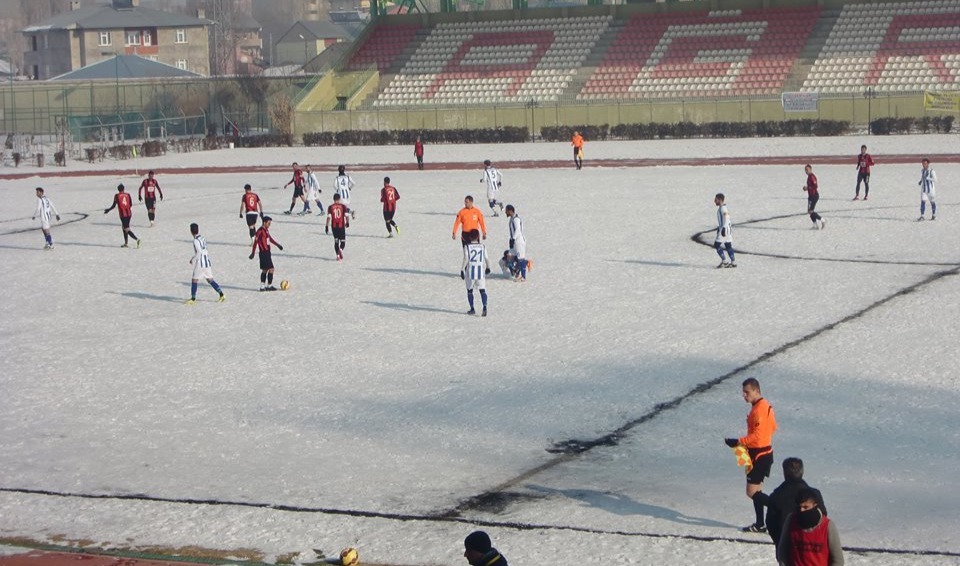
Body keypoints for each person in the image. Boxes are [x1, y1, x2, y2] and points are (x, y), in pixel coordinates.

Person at [725, 377, 777, 533]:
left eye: (747, 392)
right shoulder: (764, 406)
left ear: (756, 391)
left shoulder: (759, 410)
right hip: (760, 452)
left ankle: (779, 508)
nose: (744, 395)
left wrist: (739, 442)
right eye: (743, 392)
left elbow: (757, 436)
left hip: (759, 455)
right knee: (757, 491)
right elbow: (773, 427)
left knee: (751, 492)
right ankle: (760, 524)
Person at [752, 457, 828, 547]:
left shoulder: (777, 496)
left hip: (787, 546)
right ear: (802, 471)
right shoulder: (815, 494)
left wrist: (780, 544)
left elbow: (771, 524)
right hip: (812, 545)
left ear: (784, 473)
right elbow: (823, 518)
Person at [776, 488, 844, 566]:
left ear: (814, 505)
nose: (801, 510)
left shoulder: (827, 526)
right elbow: (783, 551)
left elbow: (838, 560)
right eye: (799, 507)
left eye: (806, 507)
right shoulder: (791, 521)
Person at [186, 223, 225, 305]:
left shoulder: (195, 241)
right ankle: (222, 294)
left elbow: (199, 252)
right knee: (210, 280)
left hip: (200, 263)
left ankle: (193, 299)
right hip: (207, 262)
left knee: (194, 280)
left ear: (191, 231)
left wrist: (192, 259)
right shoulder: (202, 238)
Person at [452, 196, 487, 275]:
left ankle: (476, 269)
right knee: (466, 253)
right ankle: (466, 270)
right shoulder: (461, 212)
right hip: (466, 235)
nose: (465, 203)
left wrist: (484, 232)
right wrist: (454, 232)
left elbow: (482, 222)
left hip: (475, 234)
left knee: (475, 252)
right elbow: (457, 223)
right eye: (465, 202)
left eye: (466, 202)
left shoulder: (477, 211)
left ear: (471, 202)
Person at [249, 216, 283, 291]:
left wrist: (278, 245)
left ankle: (263, 286)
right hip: (263, 252)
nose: (269, 225)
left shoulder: (266, 230)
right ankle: (268, 286)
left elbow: (270, 239)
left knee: (265, 269)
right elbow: (255, 242)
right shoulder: (260, 231)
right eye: (268, 223)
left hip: (267, 252)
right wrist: (253, 253)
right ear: (264, 223)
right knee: (271, 269)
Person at [462, 230, 490, 316]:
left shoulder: (467, 246)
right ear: (478, 237)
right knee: (482, 290)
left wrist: (462, 269)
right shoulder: (482, 246)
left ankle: (472, 308)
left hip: (470, 271)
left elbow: (466, 258)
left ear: (470, 237)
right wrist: (488, 267)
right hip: (480, 271)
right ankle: (484, 306)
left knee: (470, 290)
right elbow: (486, 258)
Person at [104, 183, 141, 248]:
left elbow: (113, 205)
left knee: (126, 228)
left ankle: (137, 239)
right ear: (123, 189)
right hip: (129, 213)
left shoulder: (117, 196)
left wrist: (108, 210)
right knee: (124, 227)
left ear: (118, 189)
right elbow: (131, 204)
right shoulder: (128, 195)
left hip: (123, 214)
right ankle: (126, 243)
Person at [326, 193, 350, 261]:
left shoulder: (330, 207)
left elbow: (328, 217)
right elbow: (346, 215)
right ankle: (341, 249)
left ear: (333, 199)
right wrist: (347, 222)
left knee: (336, 241)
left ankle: (338, 256)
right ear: (339, 199)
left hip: (334, 227)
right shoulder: (343, 206)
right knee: (343, 242)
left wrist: (326, 226)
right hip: (341, 226)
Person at [714, 193, 736, 268]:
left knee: (716, 245)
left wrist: (723, 228)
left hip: (724, 230)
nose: (714, 201)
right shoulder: (723, 208)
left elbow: (726, 217)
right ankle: (733, 262)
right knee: (728, 245)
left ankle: (724, 261)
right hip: (727, 230)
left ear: (720, 200)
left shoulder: (723, 209)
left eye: (716, 199)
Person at [802, 164, 825, 230]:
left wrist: (808, 188)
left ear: (811, 169)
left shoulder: (812, 176)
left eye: (807, 170)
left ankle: (822, 220)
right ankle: (815, 225)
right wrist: (806, 188)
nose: (806, 171)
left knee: (811, 211)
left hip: (814, 195)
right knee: (809, 211)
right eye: (805, 170)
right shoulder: (809, 177)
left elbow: (815, 186)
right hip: (810, 196)